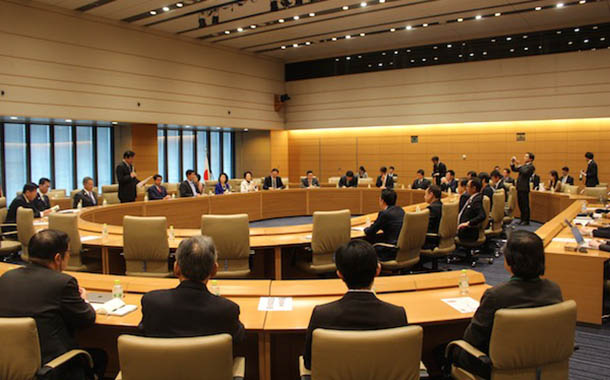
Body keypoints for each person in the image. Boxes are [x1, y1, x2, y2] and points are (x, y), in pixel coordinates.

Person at [448, 231, 563, 379]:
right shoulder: (554, 290)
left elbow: (472, 339)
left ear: (509, 261)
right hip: (542, 364)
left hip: (494, 367)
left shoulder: (496, 296)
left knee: (444, 350)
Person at [0, 230, 107, 380]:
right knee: (100, 356)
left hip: (8, 364)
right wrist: (83, 299)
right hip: (51, 368)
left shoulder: (6, 278)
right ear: (58, 258)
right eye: (68, 252)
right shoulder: (63, 283)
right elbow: (86, 319)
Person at [303, 240, 407, 370]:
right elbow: (401, 362)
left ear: (339, 274)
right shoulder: (397, 315)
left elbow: (309, 363)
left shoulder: (322, 314)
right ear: (378, 270)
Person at [138, 235, 245, 344]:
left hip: (162, 361)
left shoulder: (152, 303)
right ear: (214, 270)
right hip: (208, 361)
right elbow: (239, 341)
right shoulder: (227, 310)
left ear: (176, 268)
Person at [364, 189, 405, 261]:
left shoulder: (385, 214)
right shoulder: (401, 210)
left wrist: (367, 227)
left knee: (366, 244)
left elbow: (370, 232)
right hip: (401, 249)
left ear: (382, 201)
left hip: (390, 250)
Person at [511, 152, 535, 225]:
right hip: (519, 188)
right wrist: (512, 163)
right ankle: (522, 219)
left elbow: (524, 172)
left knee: (525, 205)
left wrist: (519, 165)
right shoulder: (524, 166)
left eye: (526, 156)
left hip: (524, 188)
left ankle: (526, 220)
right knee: (520, 204)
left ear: (530, 159)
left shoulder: (531, 167)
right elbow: (515, 169)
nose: (524, 157)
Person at [423, 185, 443, 249]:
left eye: (425, 194)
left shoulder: (432, 208)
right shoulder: (441, 205)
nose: (424, 197)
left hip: (431, 241)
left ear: (431, 195)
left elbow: (427, 226)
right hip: (439, 238)